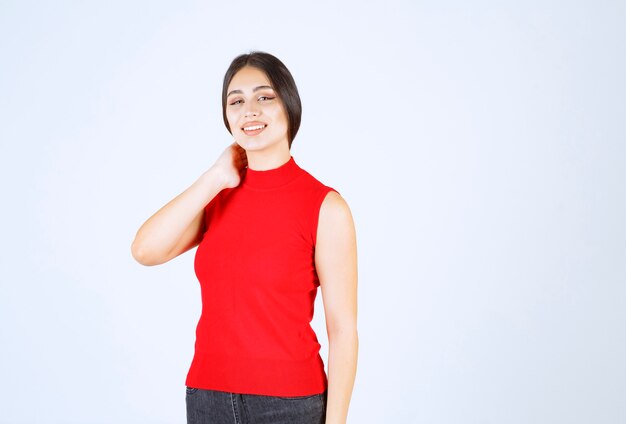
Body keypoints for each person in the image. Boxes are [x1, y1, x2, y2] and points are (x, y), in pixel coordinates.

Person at [131, 51, 358, 424]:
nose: (249, 110)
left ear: (289, 105)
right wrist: (216, 175)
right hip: (207, 397)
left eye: (264, 97)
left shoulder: (326, 207)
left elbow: (343, 330)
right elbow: (145, 250)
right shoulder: (216, 196)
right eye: (236, 101)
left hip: (289, 403)